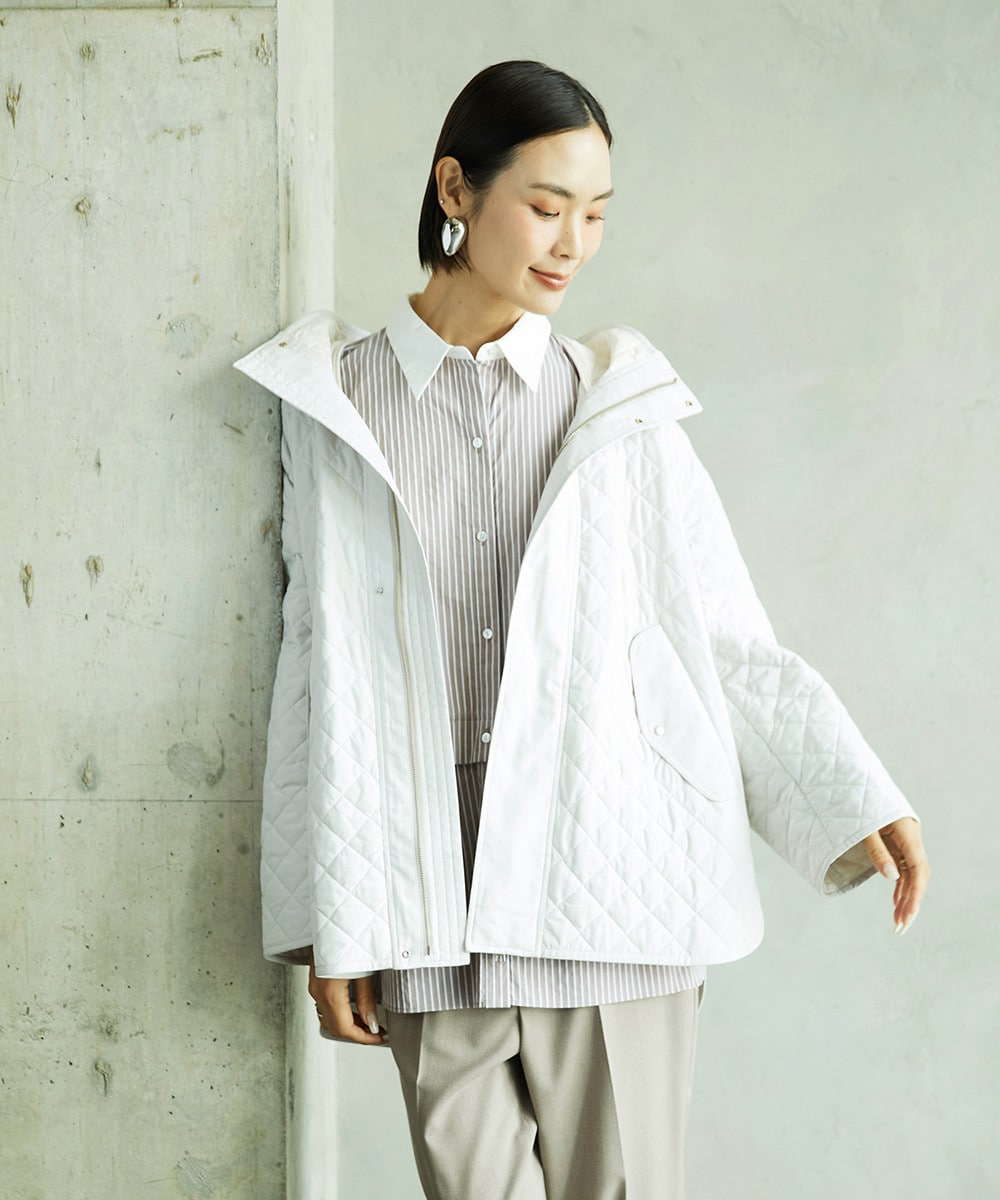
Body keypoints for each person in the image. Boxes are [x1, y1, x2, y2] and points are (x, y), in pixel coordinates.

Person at [234, 60, 929, 1200]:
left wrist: (854, 792)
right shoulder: (331, 404)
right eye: (547, 206)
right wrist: (328, 920)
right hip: (425, 897)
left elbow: (720, 637)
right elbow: (312, 670)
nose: (574, 245)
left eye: (596, 214)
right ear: (455, 190)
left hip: (607, 887)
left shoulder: (618, 409)